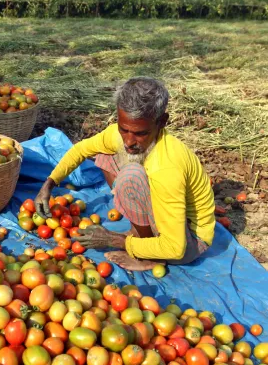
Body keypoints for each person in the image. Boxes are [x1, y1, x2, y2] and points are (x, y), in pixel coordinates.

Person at [35, 77, 215, 271]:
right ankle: (141, 234)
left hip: (189, 241)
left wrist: (116, 240)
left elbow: (176, 248)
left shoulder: (167, 168)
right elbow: (82, 149)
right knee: (105, 154)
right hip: (166, 217)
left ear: (162, 122)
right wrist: (49, 184)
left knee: (130, 177)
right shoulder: (121, 135)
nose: (129, 141)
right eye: (124, 129)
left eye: (140, 133)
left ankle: (148, 256)